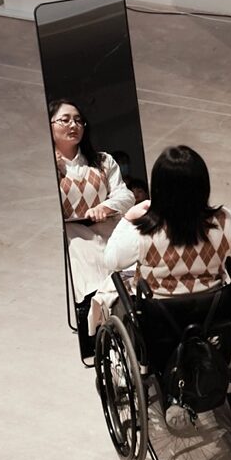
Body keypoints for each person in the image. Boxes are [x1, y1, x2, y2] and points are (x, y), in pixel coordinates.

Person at [90, 145, 231, 330]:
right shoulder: (224, 220)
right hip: (213, 311)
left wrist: (128, 218)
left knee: (110, 289)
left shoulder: (144, 229)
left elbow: (112, 261)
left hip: (160, 320)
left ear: (159, 188)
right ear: (203, 184)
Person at [49, 99, 134, 358]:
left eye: (78, 119)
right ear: (50, 125)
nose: (73, 124)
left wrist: (106, 206)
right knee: (90, 281)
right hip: (76, 238)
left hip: (110, 230)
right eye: (65, 119)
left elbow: (126, 195)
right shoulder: (48, 168)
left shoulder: (102, 160)